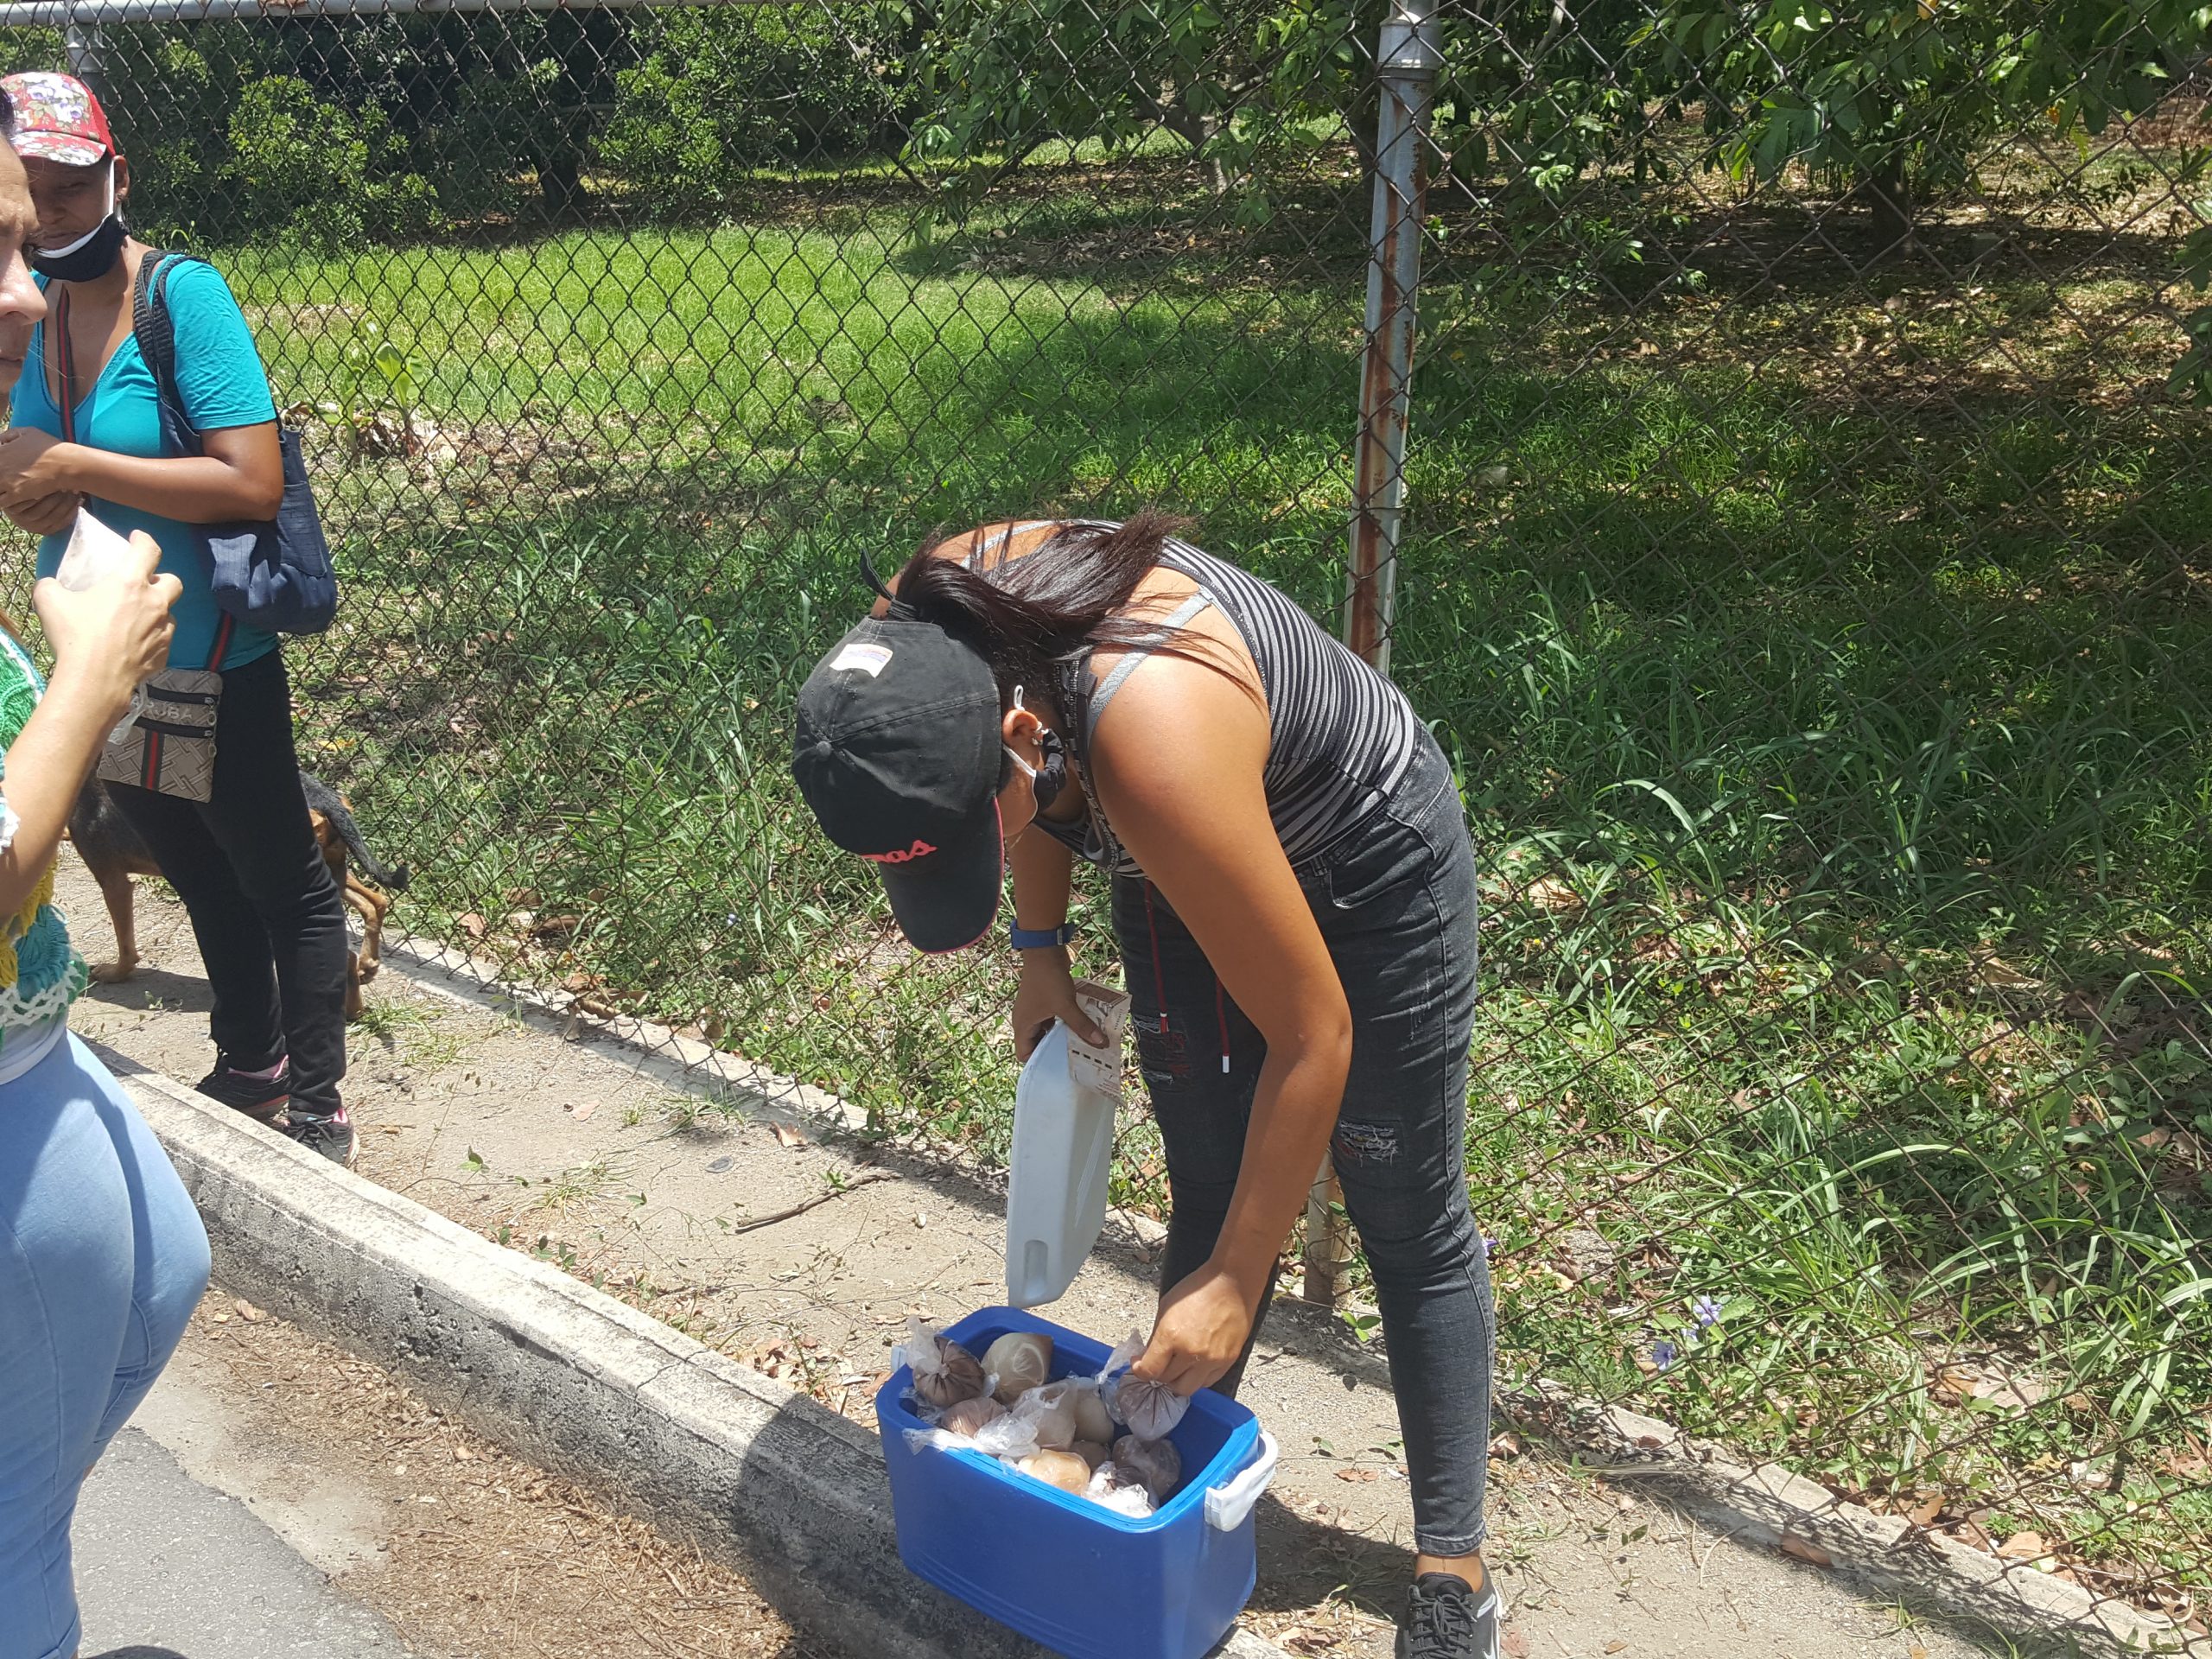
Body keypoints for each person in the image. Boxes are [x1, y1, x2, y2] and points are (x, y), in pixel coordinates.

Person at [792, 515, 1500, 1658]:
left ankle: (1452, 1568)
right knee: (1212, 1176)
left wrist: (1237, 1276)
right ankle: (1164, 1474)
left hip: (1364, 854)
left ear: (1021, 740)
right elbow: (1028, 776)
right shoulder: (917, 656)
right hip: (1174, 838)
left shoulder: (1150, 725)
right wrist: (1036, 944)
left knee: (1400, 1204)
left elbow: (1314, 1034)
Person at [0, 71, 353, 1165]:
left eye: (73, 185)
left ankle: (318, 1101)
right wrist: (43, 484)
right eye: (34, 192)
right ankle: (249, 1056)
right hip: (107, 655)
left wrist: (72, 464)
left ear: (118, 178)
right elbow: (27, 483)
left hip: (213, 651)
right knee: (188, 864)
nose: (55, 211)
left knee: (277, 876)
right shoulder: (45, 313)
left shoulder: (179, 297)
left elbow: (246, 480)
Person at [0, 109, 213, 1659]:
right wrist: (83, 687)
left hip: (40, 1050)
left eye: (36, 237)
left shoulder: (180, 296)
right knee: (18, 1530)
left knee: (166, 1273)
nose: (26, 294)